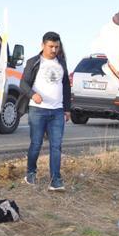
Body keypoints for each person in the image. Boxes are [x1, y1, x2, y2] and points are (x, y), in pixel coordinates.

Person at [18, 31, 71, 191]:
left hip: (57, 111)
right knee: (36, 144)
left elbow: (66, 86)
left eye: (56, 47)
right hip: (38, 110)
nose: (54, 50)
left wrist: (67, 109)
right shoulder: (34, 62)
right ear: (43, 45)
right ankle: (31, 174)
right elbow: (23, 84)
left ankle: (56, 180)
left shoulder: (61, 63)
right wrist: (33, 94)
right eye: (51, 46)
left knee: (56, 146)